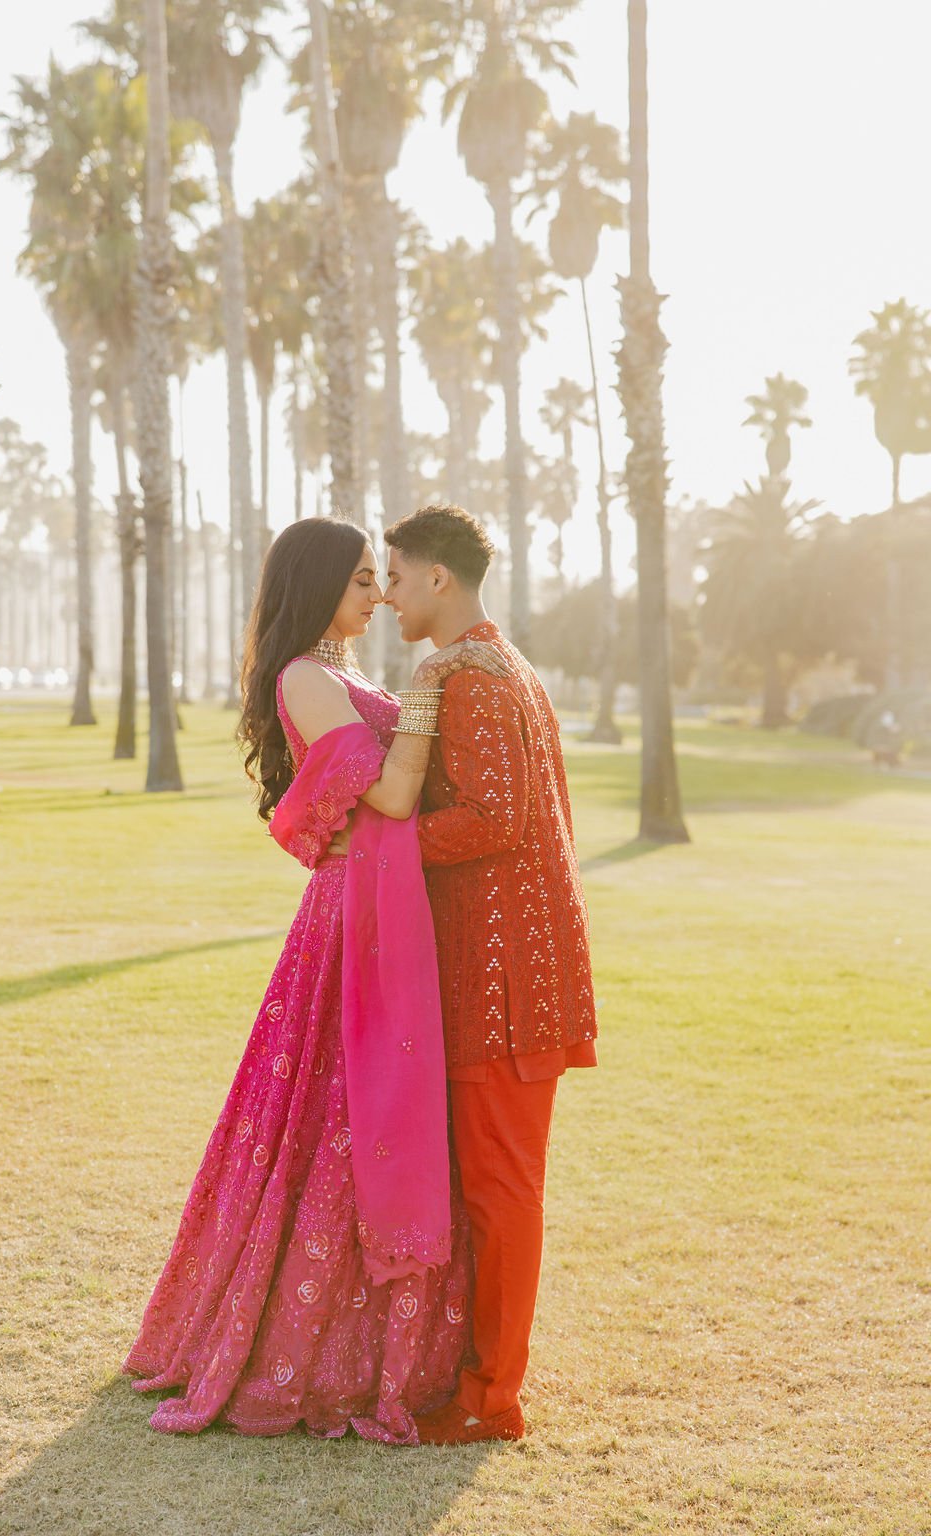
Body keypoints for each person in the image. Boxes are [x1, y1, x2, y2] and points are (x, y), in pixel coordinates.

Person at [123, 516, 503, 1446]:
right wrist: (428, 692)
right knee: (328, 1114)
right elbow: (391, 797)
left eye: (384, 579)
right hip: (350, 927)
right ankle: (286, 1345)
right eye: (364, 580)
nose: (380, 595)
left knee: (361, 1111)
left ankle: (387, 1344)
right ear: (322, 582)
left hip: (381, 909)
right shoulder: (304, 674)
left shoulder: (345, 675)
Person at [381, 503, 598, 1446]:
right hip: (514, 966)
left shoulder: (467, 677)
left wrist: (378, 846)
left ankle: (489, 1400)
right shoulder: (498, 664)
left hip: (507, 980)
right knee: (494, 1187)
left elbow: (494, 819)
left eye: (392, 576)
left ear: (436, 577)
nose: (384, 594)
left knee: (501, 1191)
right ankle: (478, 1380)